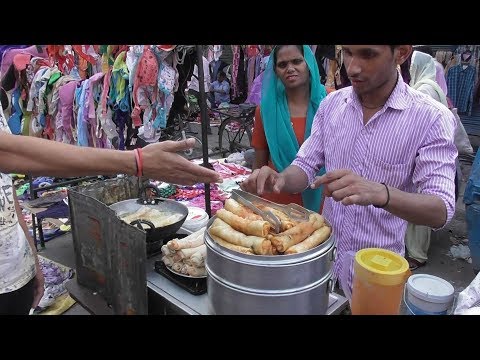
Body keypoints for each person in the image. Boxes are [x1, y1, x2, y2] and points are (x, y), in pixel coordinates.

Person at [241, 45, 457, 295]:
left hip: (377, 273)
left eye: (368, 54)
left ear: (402, 53)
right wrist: (280, 179)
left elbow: (442, 209)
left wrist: (382, 193)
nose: (352, 67)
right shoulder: (331, 105)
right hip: (324, 264)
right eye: (348, 53)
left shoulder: (430, 118)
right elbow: (304, 165)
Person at [0, 106, 221, 315]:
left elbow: (6, 182)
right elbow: (9, 155)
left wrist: (30, 257)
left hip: (17, 270)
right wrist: (137, 161)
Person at [251, 45, 327, 212]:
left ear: (309, 64)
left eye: (297, 61)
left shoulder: (331, 102)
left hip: (324, 200)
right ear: (275, 70)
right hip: (278, 204)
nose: (290, 69)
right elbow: (259, 164)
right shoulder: (266, 111)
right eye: (282, 64)